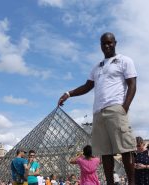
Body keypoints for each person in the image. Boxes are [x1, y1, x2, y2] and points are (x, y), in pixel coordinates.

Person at [58, 32, 137, 185]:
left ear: (115, 42)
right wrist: (69, 94)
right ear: (100, 45)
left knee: (126, 149)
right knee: (105, 153)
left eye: (109, 42)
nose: (106, 46)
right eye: (103, 43)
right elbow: (87, 86)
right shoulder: (97, 67)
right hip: (98, 112)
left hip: (116, 108)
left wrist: (124, 107)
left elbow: (132, 85)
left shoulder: (124, 60)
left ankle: (132, 183)